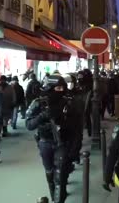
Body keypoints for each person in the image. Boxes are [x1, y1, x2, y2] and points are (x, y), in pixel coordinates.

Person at [26, 75, 74, 203]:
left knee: (60, 175)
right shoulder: (38, 103)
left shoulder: (68, 102)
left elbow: (77, 126)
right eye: (57, 88)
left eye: (62, 88)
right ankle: (54, 196)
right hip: (45, 142)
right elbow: (29, 124)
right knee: (49, 172)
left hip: (62, 143)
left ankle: (58, 199)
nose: (60, 91)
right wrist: (42, 116)